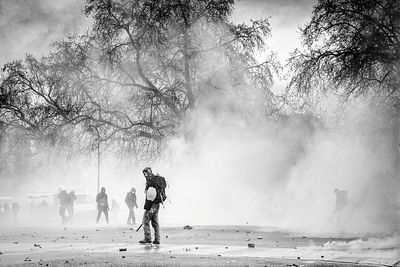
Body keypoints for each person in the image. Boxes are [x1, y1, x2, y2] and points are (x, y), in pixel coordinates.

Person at [139, 167, 165, 245]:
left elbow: (149, 197)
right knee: (155, 222)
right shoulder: (156, 180)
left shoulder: (150, 182)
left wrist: (147, 207)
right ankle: (157, 239)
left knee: (145, 220)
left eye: (145, 173)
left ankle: (147, 238)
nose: (144, 175)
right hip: (157, 204)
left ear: (148, 172)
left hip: (152, 204)